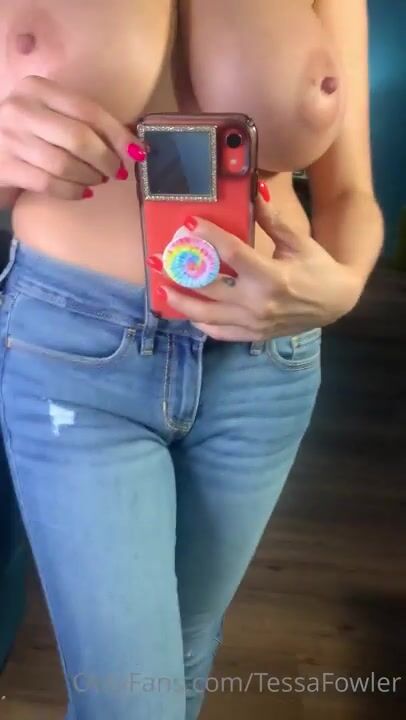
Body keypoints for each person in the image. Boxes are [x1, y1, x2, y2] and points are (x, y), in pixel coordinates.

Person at [0, 1, 383, 719]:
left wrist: (346, 286)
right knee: (131, 702)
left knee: (183, 653)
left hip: (266, 365)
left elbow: (349, 194)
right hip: (76, 359)